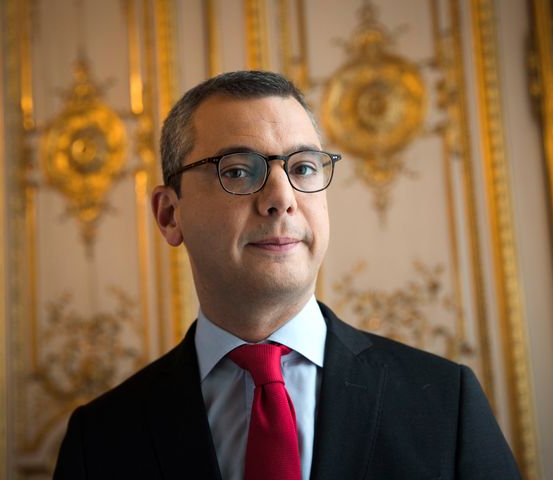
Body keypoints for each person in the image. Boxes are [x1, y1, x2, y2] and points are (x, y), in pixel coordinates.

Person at [53, 70, 521, 479]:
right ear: (170, 215)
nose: (282, 197)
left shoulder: (445, 402)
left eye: (302, 167)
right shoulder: (100, 438)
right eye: (237, 171)